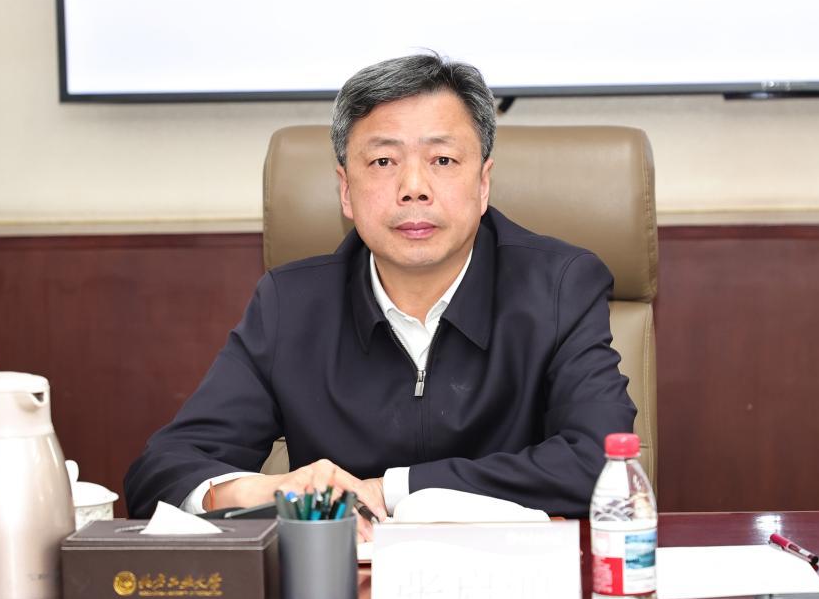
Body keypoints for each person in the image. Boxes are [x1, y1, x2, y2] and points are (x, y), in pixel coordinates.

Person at [124, 53, 636, 535]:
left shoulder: (558, 287)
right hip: (344, 586)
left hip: (511, 582)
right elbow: (161, 471)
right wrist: (263, 489)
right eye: (384, 161)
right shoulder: (292, 305)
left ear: (483, 184)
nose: (414, 187)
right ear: (345, 190)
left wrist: (390, 490)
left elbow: (601, 463)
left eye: (442, 159)